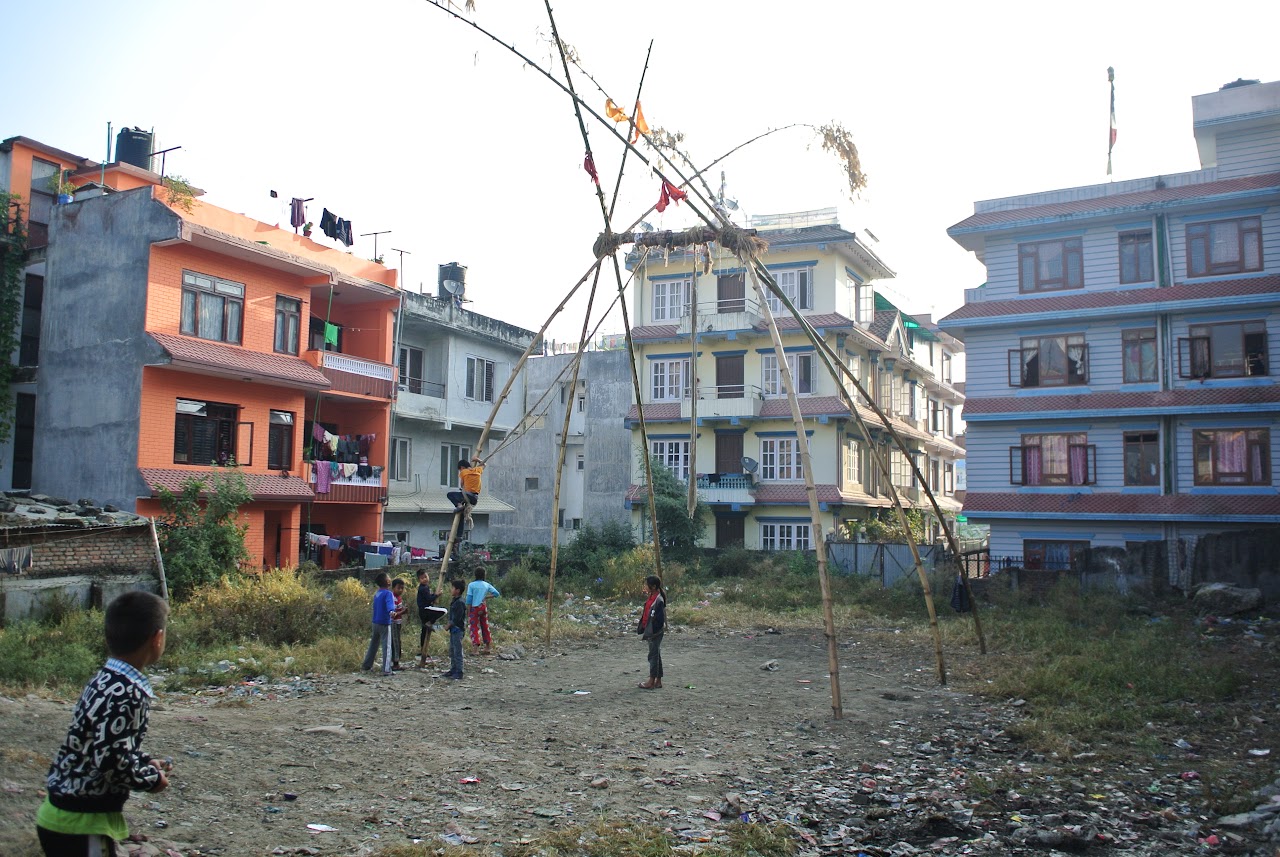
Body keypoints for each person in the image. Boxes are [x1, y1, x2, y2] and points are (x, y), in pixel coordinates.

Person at [37, 590, 172, 856]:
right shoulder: (128, 692)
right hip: (80, 822)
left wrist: (143, 760)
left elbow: (103, 740)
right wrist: (151, 778)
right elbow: (110, 762)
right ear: (157, 639)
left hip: (65, 814)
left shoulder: (105, 678)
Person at [361, 572, 395, 676]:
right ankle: (386, 668)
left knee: (373, 645)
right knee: (387, 646)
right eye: (389, 577)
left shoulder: (377, 593)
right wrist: (391, 611)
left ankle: (366, 665)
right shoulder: (388, 593)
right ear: (387, 581)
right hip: (385, 622)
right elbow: (389, 604)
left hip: (375, 622)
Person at [637, 574, 666, 690]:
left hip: (654, 632)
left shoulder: (658, 600)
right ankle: (658, 681)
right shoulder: (653, 597)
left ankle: (651, 681)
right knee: (656, 655)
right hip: (651, 630)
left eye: (647, 585)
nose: (645, 586)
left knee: (653, 656)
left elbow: (659, 620)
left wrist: (653, 631)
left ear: (653, 587)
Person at [465, 567, 501, 655]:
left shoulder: (471, 585)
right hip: (483, 607)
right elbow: (496, 593)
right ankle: (487, 647)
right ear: (484, 575)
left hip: (474, 608)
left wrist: (468, 611)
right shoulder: (486, 584)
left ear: (475, 575)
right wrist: (486, 597)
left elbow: (469, 599)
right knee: (485, 626)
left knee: (474, 627)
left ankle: (475, 649)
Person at [441, 579, 466, 680]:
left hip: (457, 629)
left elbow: (457, 618)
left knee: (457, 651)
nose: (451, 590)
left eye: (453, 588)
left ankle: (459, 671)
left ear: (458, 590)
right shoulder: (455, 601)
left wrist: (449, 625)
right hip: (454, 630)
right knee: (452, 650)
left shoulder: (459, 602)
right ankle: (453, 669)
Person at [446, 458, 485, 524]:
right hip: (474, 498)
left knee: (450, 494)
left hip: (467, 496)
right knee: (461, 513)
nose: (460, 471)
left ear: (462, 467)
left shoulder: (464, 472)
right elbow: (484, 464)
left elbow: (461, 484)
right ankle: (459, 533)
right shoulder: (478, 470)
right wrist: (477, 460)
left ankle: (459, 505)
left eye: (460, 469)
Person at [415, 569, 441, 667]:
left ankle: (423, 649)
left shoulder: (425, 587)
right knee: (437, 614)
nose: (425, 579)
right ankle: (430, 622)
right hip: (424, 610)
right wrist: (436, 595)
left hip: (423, 610)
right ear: (419, 580)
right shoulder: (423, 588)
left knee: (424, 630)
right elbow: (429, 598)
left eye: (425, 577)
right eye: (422, 578)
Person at [389, 578, 407, 671]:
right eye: (398, 588)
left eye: (402, 588)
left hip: (398, 622)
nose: (400, 590)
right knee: (395, 642)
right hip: (394, 623)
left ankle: (396, 661)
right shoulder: (393, 598)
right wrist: (403, 611)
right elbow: (393, 614)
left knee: (398, 641)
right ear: (393, 588)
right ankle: (395, 662)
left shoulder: (399, 598)